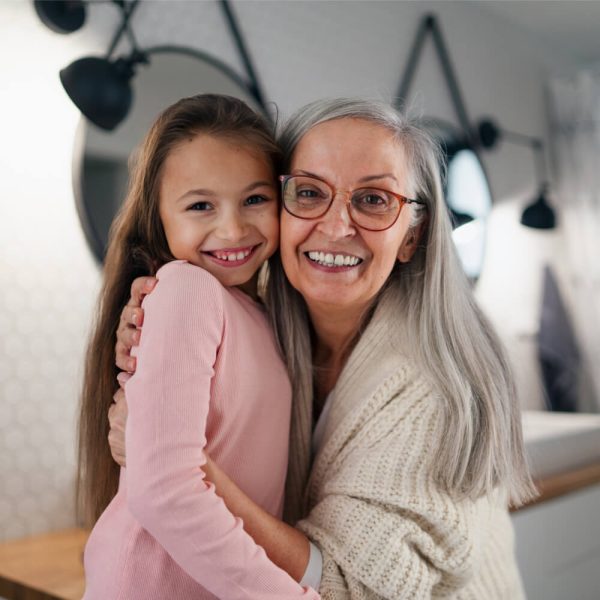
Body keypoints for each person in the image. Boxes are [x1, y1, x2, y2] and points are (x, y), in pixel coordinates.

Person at [112, 98, 536, 598]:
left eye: (374, 200)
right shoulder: (266, 325)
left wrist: (178, 467)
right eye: (310, 192)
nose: (336, 227)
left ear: (411, 237)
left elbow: (355, 585)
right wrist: (154, 331)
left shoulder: (434, 390)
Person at [77, 94, 321, 599]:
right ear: (160, 217)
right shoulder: (188, 288)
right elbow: (163, 487)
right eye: (200, 205)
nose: (232, 228)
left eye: (255, 199)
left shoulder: (265, 316)